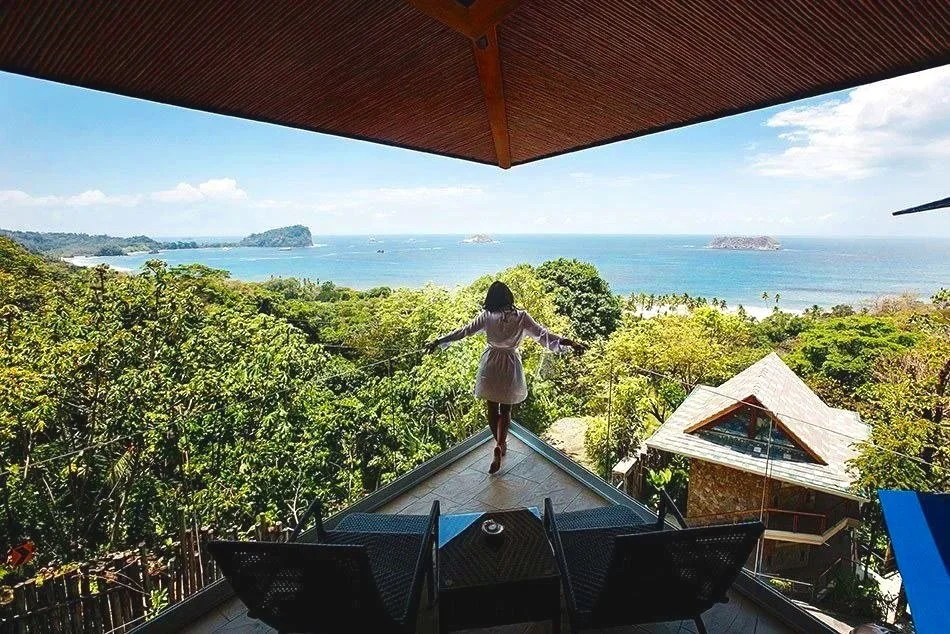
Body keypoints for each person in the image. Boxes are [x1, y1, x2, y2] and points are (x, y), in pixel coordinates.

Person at [426, 281, 586, 474]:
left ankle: (500, 445)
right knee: (506, 409)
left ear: (491, 299)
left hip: (491, 364)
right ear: (509, 297)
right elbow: (545, 336)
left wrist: (439, 341)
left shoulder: (487, 316)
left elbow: (464, 331)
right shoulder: (522, 317)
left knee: (492, 408)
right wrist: (571, 344)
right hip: (510, 364)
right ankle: (501, 444)